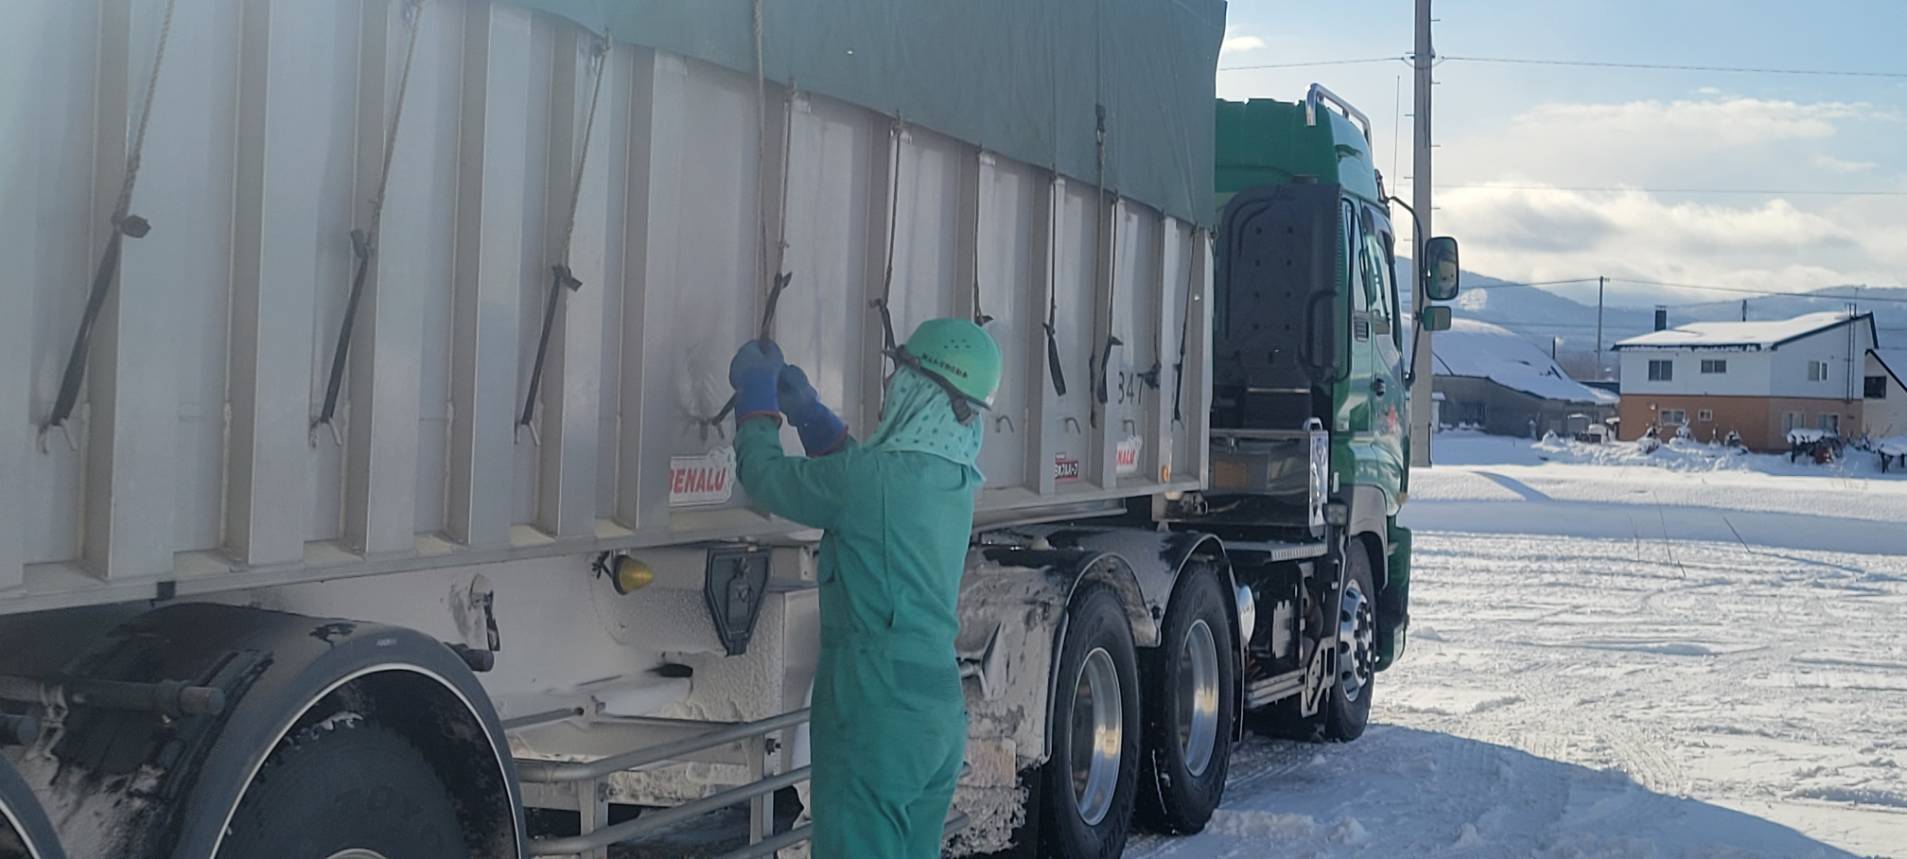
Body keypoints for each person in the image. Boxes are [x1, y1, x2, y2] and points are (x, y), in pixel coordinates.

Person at [726, 318, 1002, 859]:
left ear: (921, 390)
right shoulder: (954, 480)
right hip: (935, 718)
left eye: (901, 375)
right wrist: (810, 416)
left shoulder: (871, 483)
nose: (891, 386)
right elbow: (862, 487)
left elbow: (765, 476)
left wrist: (757, 400)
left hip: (876, 711)